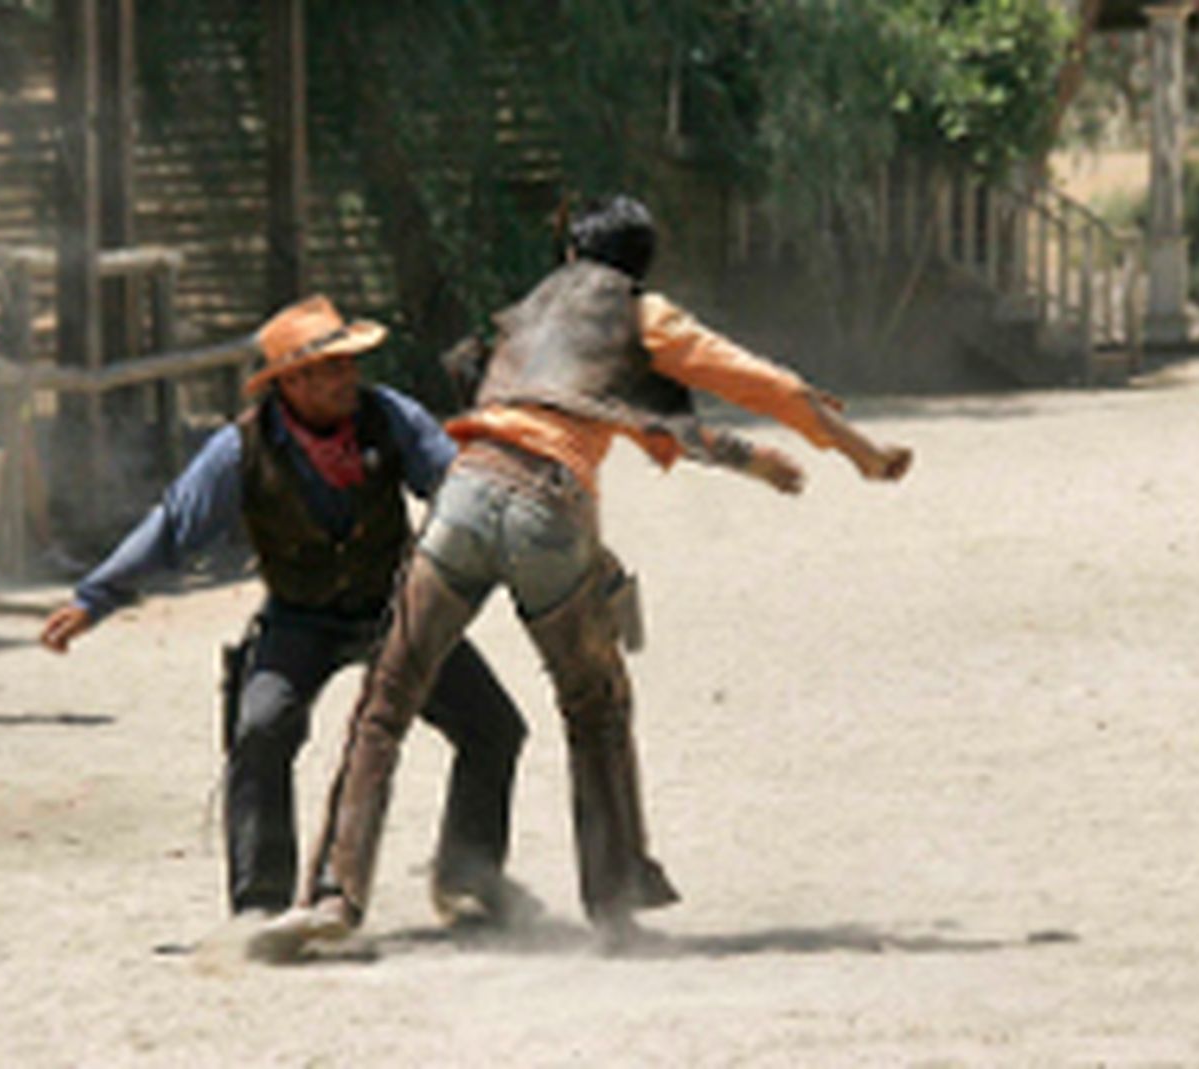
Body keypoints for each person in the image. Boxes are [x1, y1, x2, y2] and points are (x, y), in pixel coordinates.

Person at [250, 194, 912, 961]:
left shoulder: (527, 312)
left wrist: (743, 458)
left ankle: (333, 897)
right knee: (594, 707)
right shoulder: (643, 314)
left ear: (572, 254)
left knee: (384, 703)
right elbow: (760, 383)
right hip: (548, 508)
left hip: (464, 496)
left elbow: (533, 389)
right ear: (640, 265)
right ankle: (614, 905)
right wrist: (859, 450)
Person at [40, 295, 535, 926]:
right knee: (260, 729)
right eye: (330, 369)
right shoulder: (239, 449)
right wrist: (95, 598)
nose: (347, 378)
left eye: (348, 364)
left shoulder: (390, 418)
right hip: (300, 617)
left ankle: (468, 879)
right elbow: (174, 529)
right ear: (290, 383)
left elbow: (456, 489)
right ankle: (261, 902)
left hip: (394, 608)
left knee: (494, 727)